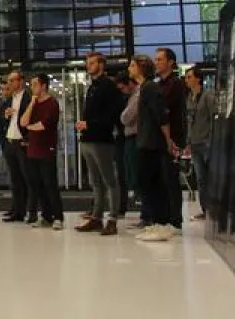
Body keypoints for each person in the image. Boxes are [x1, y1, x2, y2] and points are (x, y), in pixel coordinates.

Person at [75, 53, 121, 236]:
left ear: (101, 65)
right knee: (96, 182)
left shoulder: (109, 86)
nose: (89, 66)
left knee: (110, 181)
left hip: (102, 140)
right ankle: (96, 217)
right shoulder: (91, 87)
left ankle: (113, 219)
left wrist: (89, 124)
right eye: (88, 63)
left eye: (92, 63)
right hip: (88, 139)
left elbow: (113, 115)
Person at [134, 54, 177, 242]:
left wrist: (167, 140)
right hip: (146, 141)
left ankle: (161, 223)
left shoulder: (150, 87)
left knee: (153, 184)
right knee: (147, 183)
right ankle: (156, 223)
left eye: (132, 65)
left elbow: (161, 115)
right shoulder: (144, 87)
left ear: (140, 68)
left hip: (152, 143)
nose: (129, 68)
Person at [21, 73, 64, 230]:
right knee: (36, 185)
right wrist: (32, 103)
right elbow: (23, 121)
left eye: (34, 84)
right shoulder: (34, 103)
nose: (32, 87)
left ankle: (58, 216)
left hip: (46, 149)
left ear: (43, 85)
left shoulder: (52, 103)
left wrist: (30, 127)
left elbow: (44, 124)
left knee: (50, 184)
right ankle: (45, 215)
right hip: (32, 150)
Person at [155, 47, 188, 233]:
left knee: (170, 179)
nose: (157, 62)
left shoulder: (175, 84)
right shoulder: (158, 84)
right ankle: (164, 217)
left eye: (160, 59)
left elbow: (162, 106)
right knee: (162, 179)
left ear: (170, 62)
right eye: (156, 59)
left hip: (172, 138)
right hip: (158, 139)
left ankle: (175, 220)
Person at [0, 71, 33, 223]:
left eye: (12, 80)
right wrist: (6, 115)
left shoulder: (29, 97)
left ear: (20, 81)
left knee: (28, 179)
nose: (10, 83)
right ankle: (18, 211)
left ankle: (31, 211)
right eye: (9, 80)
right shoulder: (8, 100)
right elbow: (2, 120)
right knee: (15, 180)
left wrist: (28, 139)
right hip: (10, 142)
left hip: (22, 142)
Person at [185, 68, 214, 221]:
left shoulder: (208, 96)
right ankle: (205, 209)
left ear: (198, 79)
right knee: (200, 179)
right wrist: (188, 141)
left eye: (189, 77)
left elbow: (213, 118)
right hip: (195, 143)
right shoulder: (189, 98)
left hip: (207, 142)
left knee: (211, 176)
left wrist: (211, 138)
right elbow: (189, 121)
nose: (186, 80)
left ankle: (214, 209)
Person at [115, 72, 139, 219]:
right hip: (125, 136)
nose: (122, 91)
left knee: (132, 172)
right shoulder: (127, 97)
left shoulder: (136, 96)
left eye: (122, 87)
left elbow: (125, 117)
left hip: (132, 137)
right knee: (124, 171)